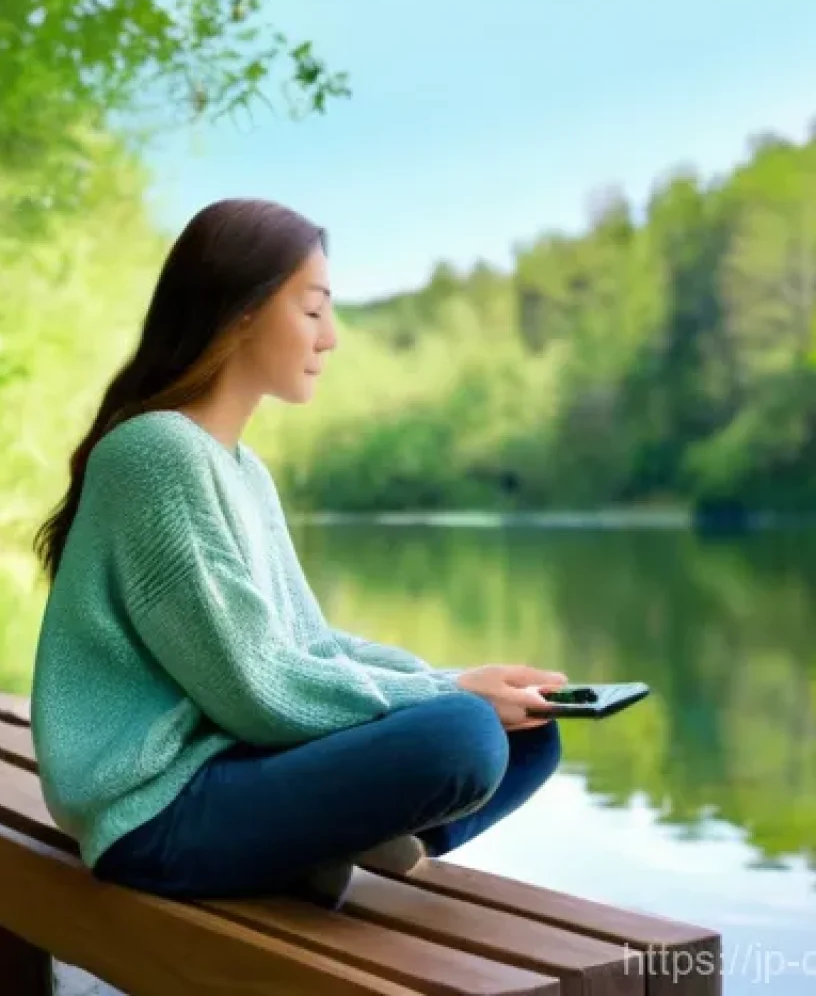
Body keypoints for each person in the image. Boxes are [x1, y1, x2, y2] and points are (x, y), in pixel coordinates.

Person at [29, 198, 567, 909]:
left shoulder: (243, 471)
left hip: (233, 764)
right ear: (241, 311)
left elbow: (305, 645)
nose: (332, 338)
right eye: (313, 311)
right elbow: (255, 687)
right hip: (155, 813)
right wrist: (449, 696)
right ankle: (329, 839)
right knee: (464, 734)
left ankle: (327, 842)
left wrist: (457, 676)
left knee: (532, 733)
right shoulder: (154, 453)